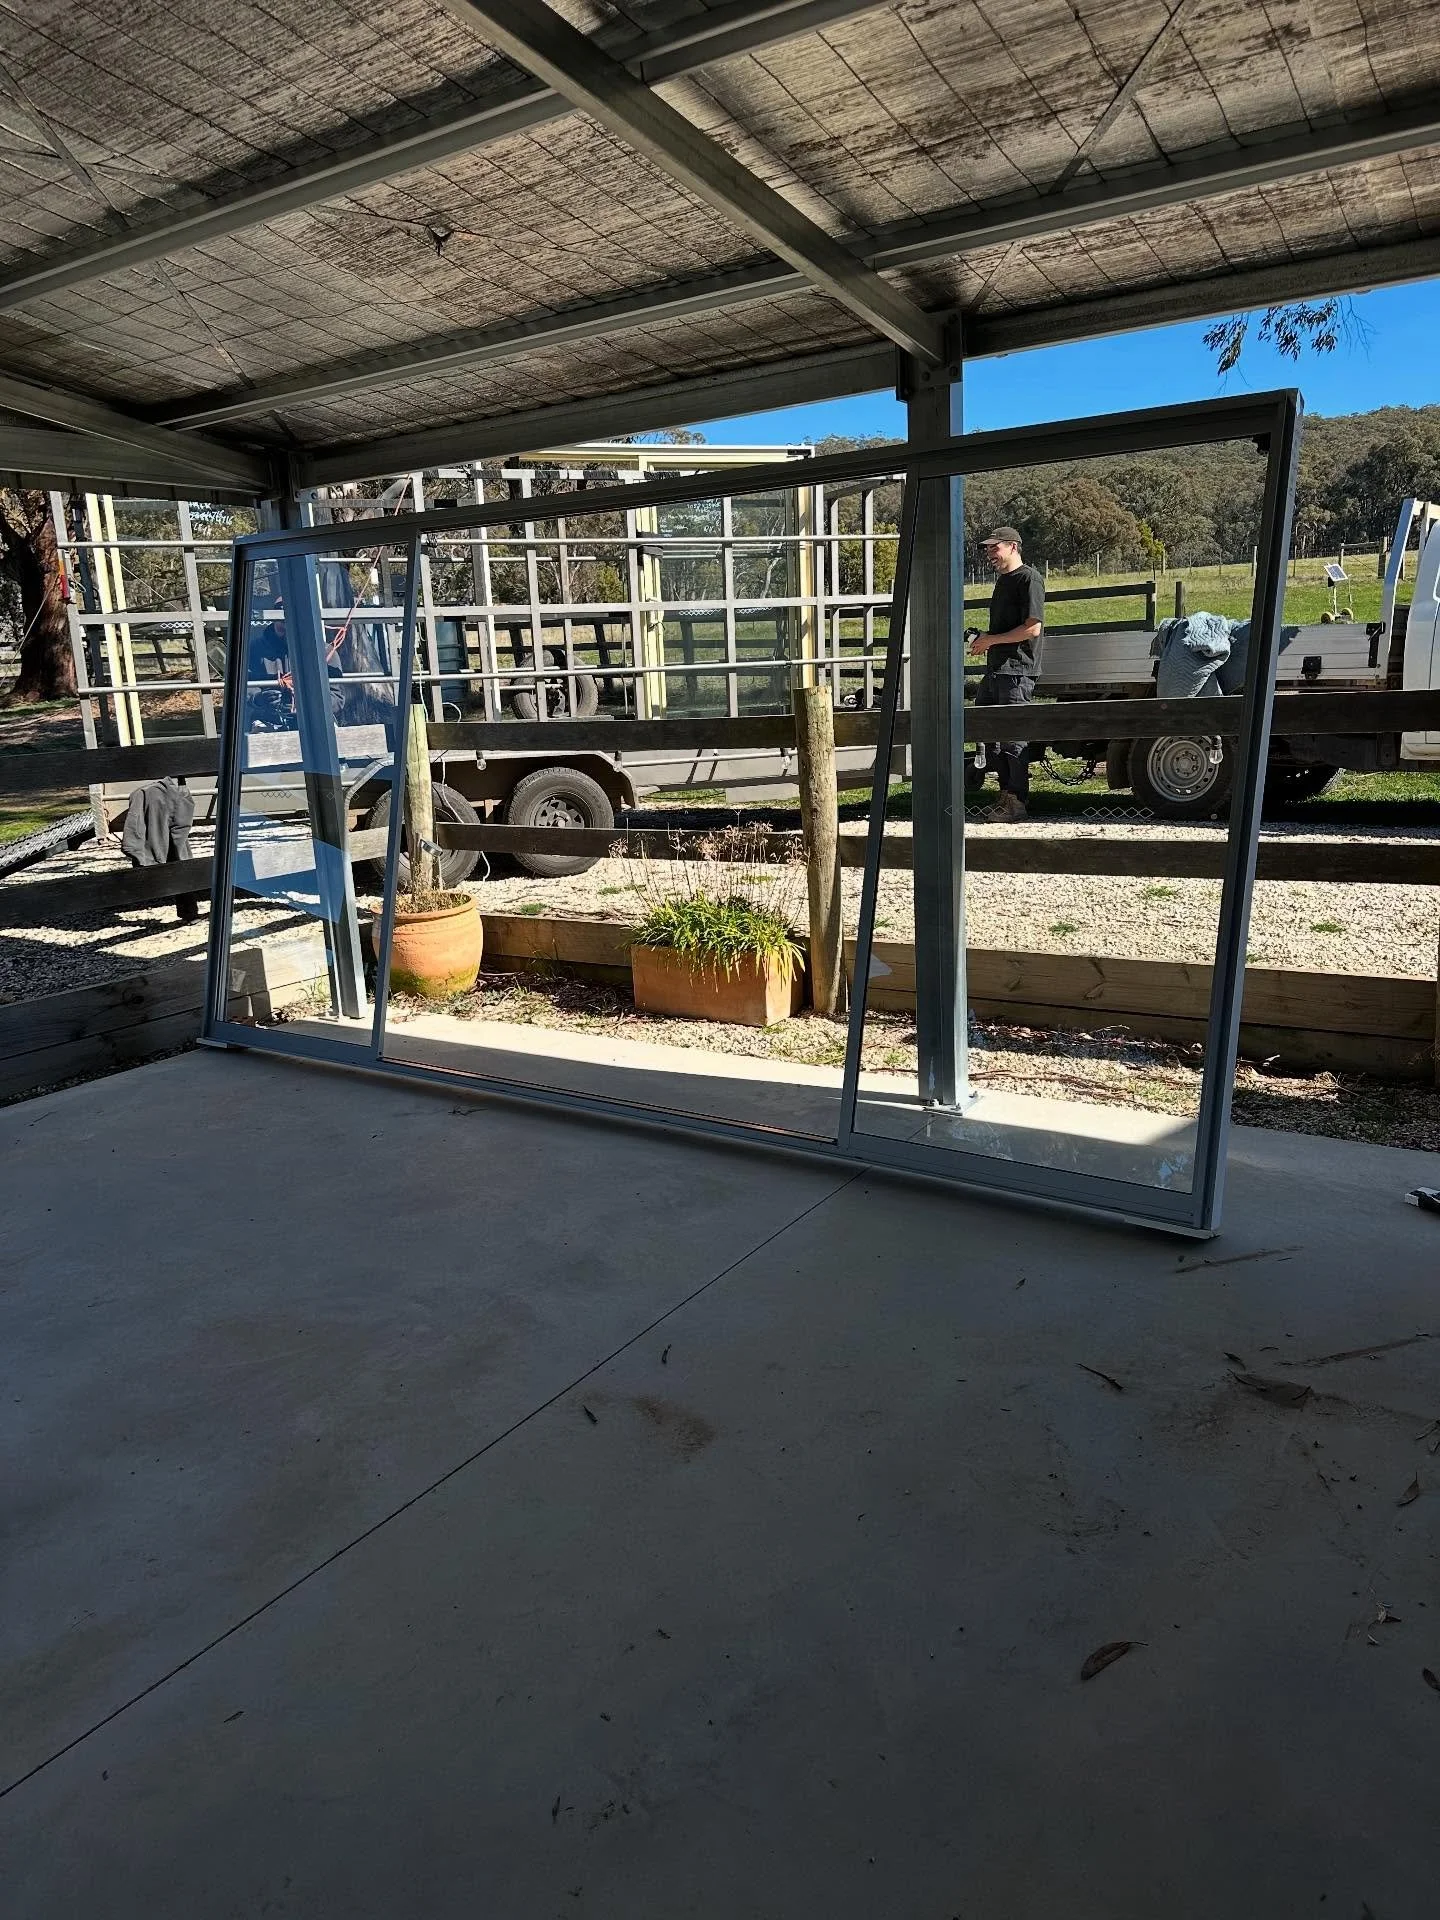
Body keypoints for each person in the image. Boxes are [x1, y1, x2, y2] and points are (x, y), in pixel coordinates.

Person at [967, 526, 1046, 822]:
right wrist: (985, 638)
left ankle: (1017, 801)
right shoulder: (1003, 581)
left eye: (994, 548)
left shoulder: (1029, 579)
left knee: (1014, 736)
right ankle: (1005, 796)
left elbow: (1032, 628)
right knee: (989, 734)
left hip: (1017, 670)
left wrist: (992, 640)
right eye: (987, 549)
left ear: (1013, 546)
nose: (990, 554)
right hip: (997, 669)